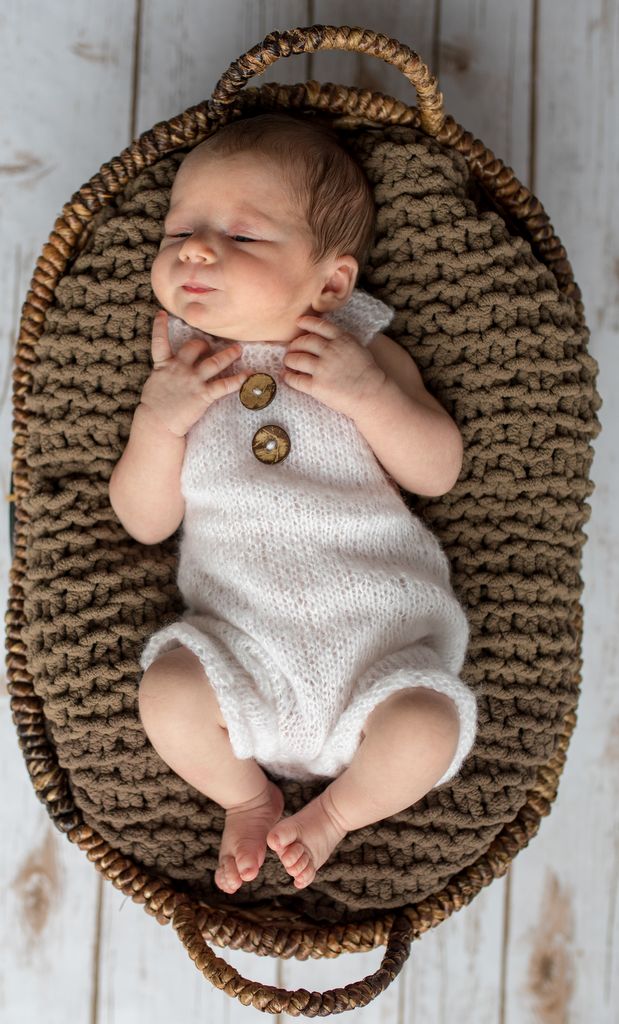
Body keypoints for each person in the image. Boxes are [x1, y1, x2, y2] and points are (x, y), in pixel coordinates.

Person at [108, 112, 477, 896]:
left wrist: (369, 394)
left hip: (377, 650)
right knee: (164, 694)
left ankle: (336, 815)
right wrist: (157, 420)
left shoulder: (360, 351)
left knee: (430, 728)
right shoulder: (177, 368)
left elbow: (436, 470)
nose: (195, 250)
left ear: (331, 284)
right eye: (180, 232)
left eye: (242, 236)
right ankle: (246, 797)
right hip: (238, 650)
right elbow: (145, 521)